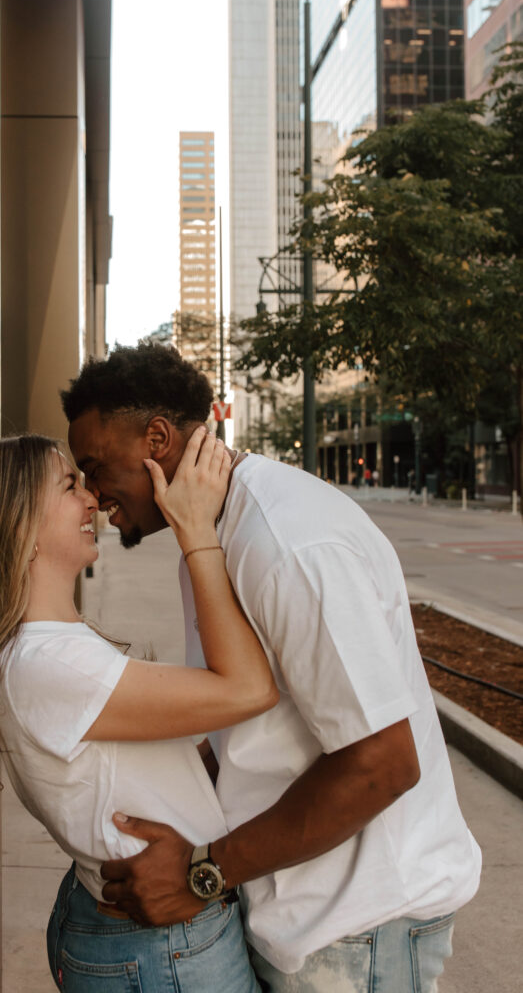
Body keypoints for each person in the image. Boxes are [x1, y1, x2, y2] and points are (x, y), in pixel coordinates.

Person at [62, 341, 482, 993]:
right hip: (306, 914)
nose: (93, 494)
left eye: (95, 466)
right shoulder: (209, 533)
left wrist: (202, 872)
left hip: (356, 926)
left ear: (156, 437)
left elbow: (383, 763)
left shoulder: (287, 543)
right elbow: (258, 726)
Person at [0, 430, 279, 993]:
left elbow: (130, 759)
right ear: (18, 529)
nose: (92, 499)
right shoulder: (51, 663)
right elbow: (248, 689)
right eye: (69, 486)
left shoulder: (44, 649)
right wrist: (196, 532)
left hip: (141, 935)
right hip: (163, 947)